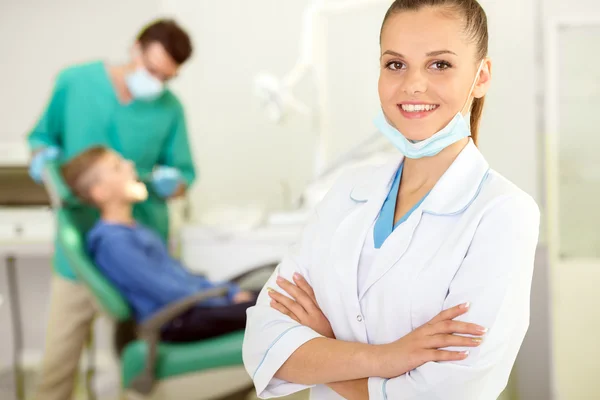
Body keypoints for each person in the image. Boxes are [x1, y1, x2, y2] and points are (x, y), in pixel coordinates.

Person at [242, 1, 540, 399]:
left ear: (481, 76)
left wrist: (326, 346)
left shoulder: (504, 214)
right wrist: (387, 358)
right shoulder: (346, 192)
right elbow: (264, 340)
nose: (413, 84)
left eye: (440, 65)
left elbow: (450, 391)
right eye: (395, 64)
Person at [27, 19, 197, 400]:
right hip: (80, 257)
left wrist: (175, 182)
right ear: (135, 49)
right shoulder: (76, 83)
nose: (156, 83)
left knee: (141, 366)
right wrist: (42, 159)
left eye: (166, 78)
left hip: (139, 250)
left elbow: (185, 174)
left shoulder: (169, 109)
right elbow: (40, 137)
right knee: (57, 365)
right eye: (152, 70)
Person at [59, 146, 257, 342]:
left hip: (193, 307)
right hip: (178, 320)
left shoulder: (135, 230)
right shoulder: (115, 242)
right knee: (275, 309)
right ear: (100, 192)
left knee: (273, 298)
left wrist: (228, 291)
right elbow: (168, 291)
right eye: (117, 167)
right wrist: (224, 296)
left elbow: (181, 279)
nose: (130, 165)